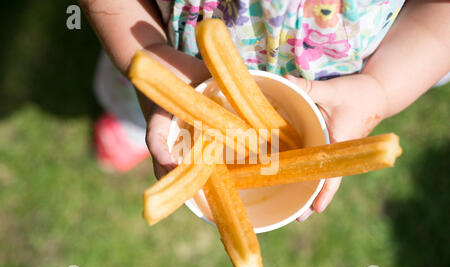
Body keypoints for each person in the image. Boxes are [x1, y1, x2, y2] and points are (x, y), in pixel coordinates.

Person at [79, 0, 450, 221]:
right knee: (146, 104)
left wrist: (379, 89)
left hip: (329, 85)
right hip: (171, 54)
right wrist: (147, 56)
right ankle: (132, 122)